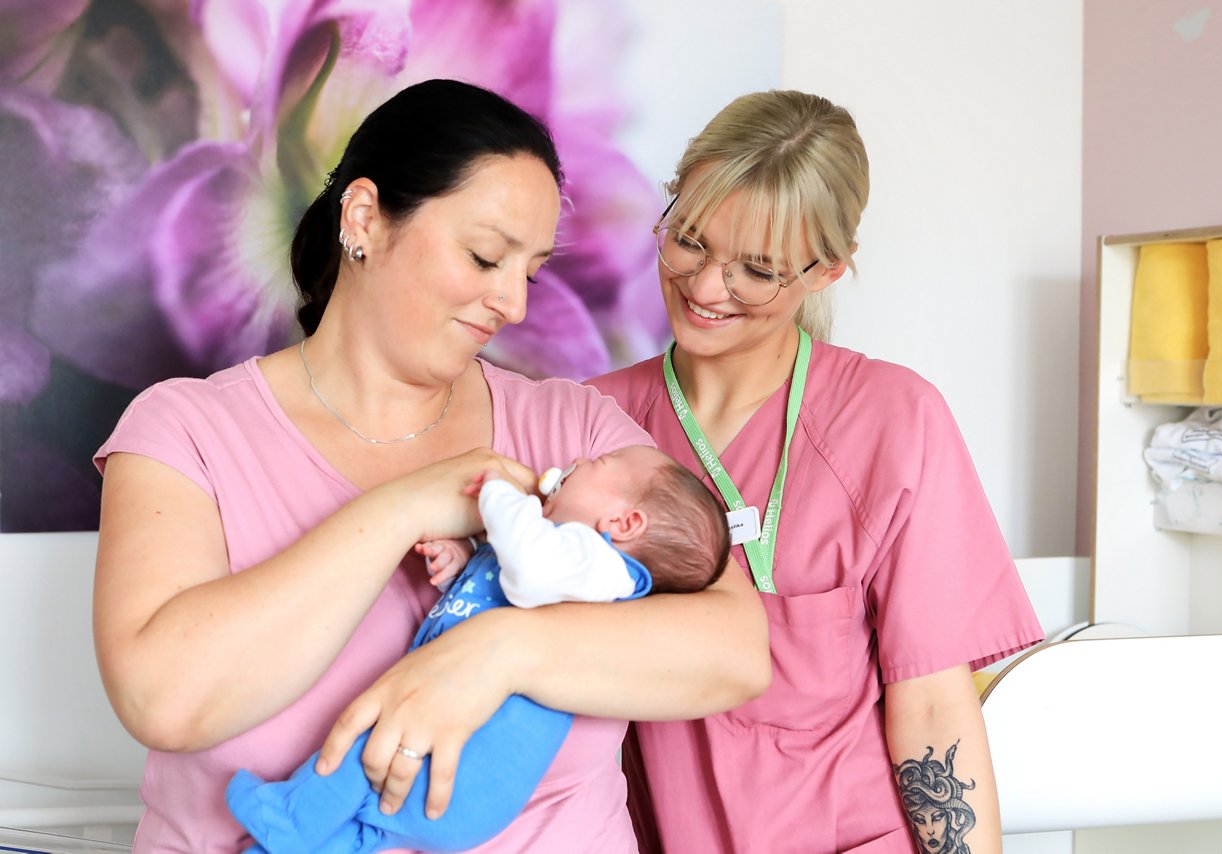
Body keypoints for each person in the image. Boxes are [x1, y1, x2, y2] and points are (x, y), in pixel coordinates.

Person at [92, 78, 769, 853]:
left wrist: (493, 656)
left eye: (532, 271)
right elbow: (164, 698)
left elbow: (736, 651)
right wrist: (406, 506)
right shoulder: (186, 431)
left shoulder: (577, 434)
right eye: (486, 256)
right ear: (364, 219)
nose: (513, 304)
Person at [587, 89, 1045, 853]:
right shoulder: (592, 424)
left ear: (827, 272)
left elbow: (933, 707)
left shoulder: (894, 420)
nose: (704, 289)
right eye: (690, 241)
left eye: (756, 270)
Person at [225, 446, 729, 853]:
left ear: (624, 524)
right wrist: (464, 554)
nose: (573, 463)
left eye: (595, 466)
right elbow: (513, 572)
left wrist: (499, 493)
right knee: (366, 826)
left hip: (460, 766)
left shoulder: (603, 566)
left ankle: (286, 821)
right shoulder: (572, 562)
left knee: (361, 752)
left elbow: (529, 571)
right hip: (463, 799)